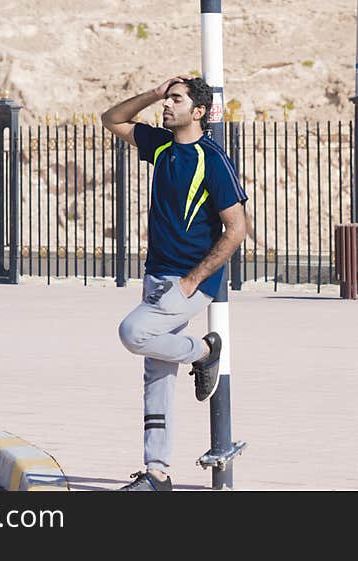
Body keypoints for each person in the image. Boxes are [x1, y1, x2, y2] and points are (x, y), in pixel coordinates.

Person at [101, 75, 247, 491]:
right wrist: (152, 92)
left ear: (198, 112)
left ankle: (204, 351)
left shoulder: (212, 160)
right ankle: (157, 473)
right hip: (155, 275)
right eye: (167, 100)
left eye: (175, 100)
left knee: (133, 332)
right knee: (157, 378)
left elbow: (236, 229)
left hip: (188, 283)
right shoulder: (161, 145)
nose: (167, 106)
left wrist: (193, 280)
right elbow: (111, 119)